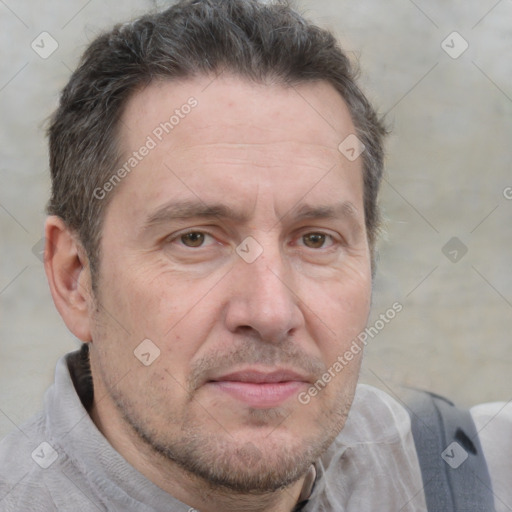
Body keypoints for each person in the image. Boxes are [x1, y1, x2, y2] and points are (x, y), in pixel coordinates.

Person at [0, 1, 510, 511]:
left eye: (315, 240)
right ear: (76, 279)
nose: (271, 312)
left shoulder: (471, 475)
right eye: (195, 239)